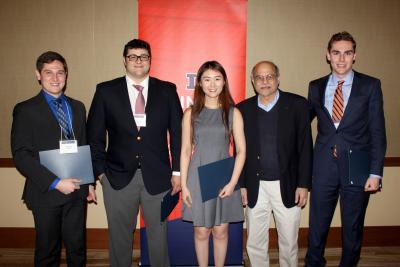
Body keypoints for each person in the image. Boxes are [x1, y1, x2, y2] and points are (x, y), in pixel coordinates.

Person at [87, 38, 183, 267]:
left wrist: (177, 171)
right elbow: (94, 137)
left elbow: (179, 135)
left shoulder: (167, 90)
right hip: (117, 178)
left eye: (143, 57)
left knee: (159, 238)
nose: (138, 61)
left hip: (159, 178)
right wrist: (100, 173)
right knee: (119, 240)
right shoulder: (105, 91)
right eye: (133, 56)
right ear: (124, 60)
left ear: (150, 60)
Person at [305, 31, 387, 267]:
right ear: (328, 55)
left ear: (355, 56)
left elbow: (378, 132)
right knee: (318, 224)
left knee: (352, 226)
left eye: (347, 53)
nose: (341, 59)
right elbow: (302, 124)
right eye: (336, 53)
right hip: (323, 166)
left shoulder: (371, 85)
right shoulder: (315, 87)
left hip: (358, 165)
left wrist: (376, 172)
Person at [11, 51, 96, 266]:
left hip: (76, 191)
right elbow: (21, 155)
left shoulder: (77, 107)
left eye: (60, 72)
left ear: (66, 75)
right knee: (48, 252)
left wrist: (89, 182)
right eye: (48, 73)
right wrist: (56, 183)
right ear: (38, 75)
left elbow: (83, 145)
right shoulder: (25, 110)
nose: (55, 78)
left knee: (77, 250)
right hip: (46, 193)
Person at [237, 60, 313, 267]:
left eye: (269, 76)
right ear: (253, 81)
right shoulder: (242, 109)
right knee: (254, 241)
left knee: (289, 241)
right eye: (259, 77)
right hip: (255, 185)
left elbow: (305, 147)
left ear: (278, 78)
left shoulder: (297, 105)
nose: (265, 81)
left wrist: (304, 184)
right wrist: (241, 184)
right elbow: (239, 151)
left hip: (288, 184)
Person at [180, 61, 246, 267]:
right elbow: (184, 151)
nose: (212, 84)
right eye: (207, 79)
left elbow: (242, 150)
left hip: (224, 176)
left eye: (217, 79)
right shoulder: (191, 114)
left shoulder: (233, 113)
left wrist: (233, 182)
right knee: (201, 230)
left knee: (221, 230)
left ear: (224, 82)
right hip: (197, 177)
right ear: (199, 83)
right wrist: (184, 185)